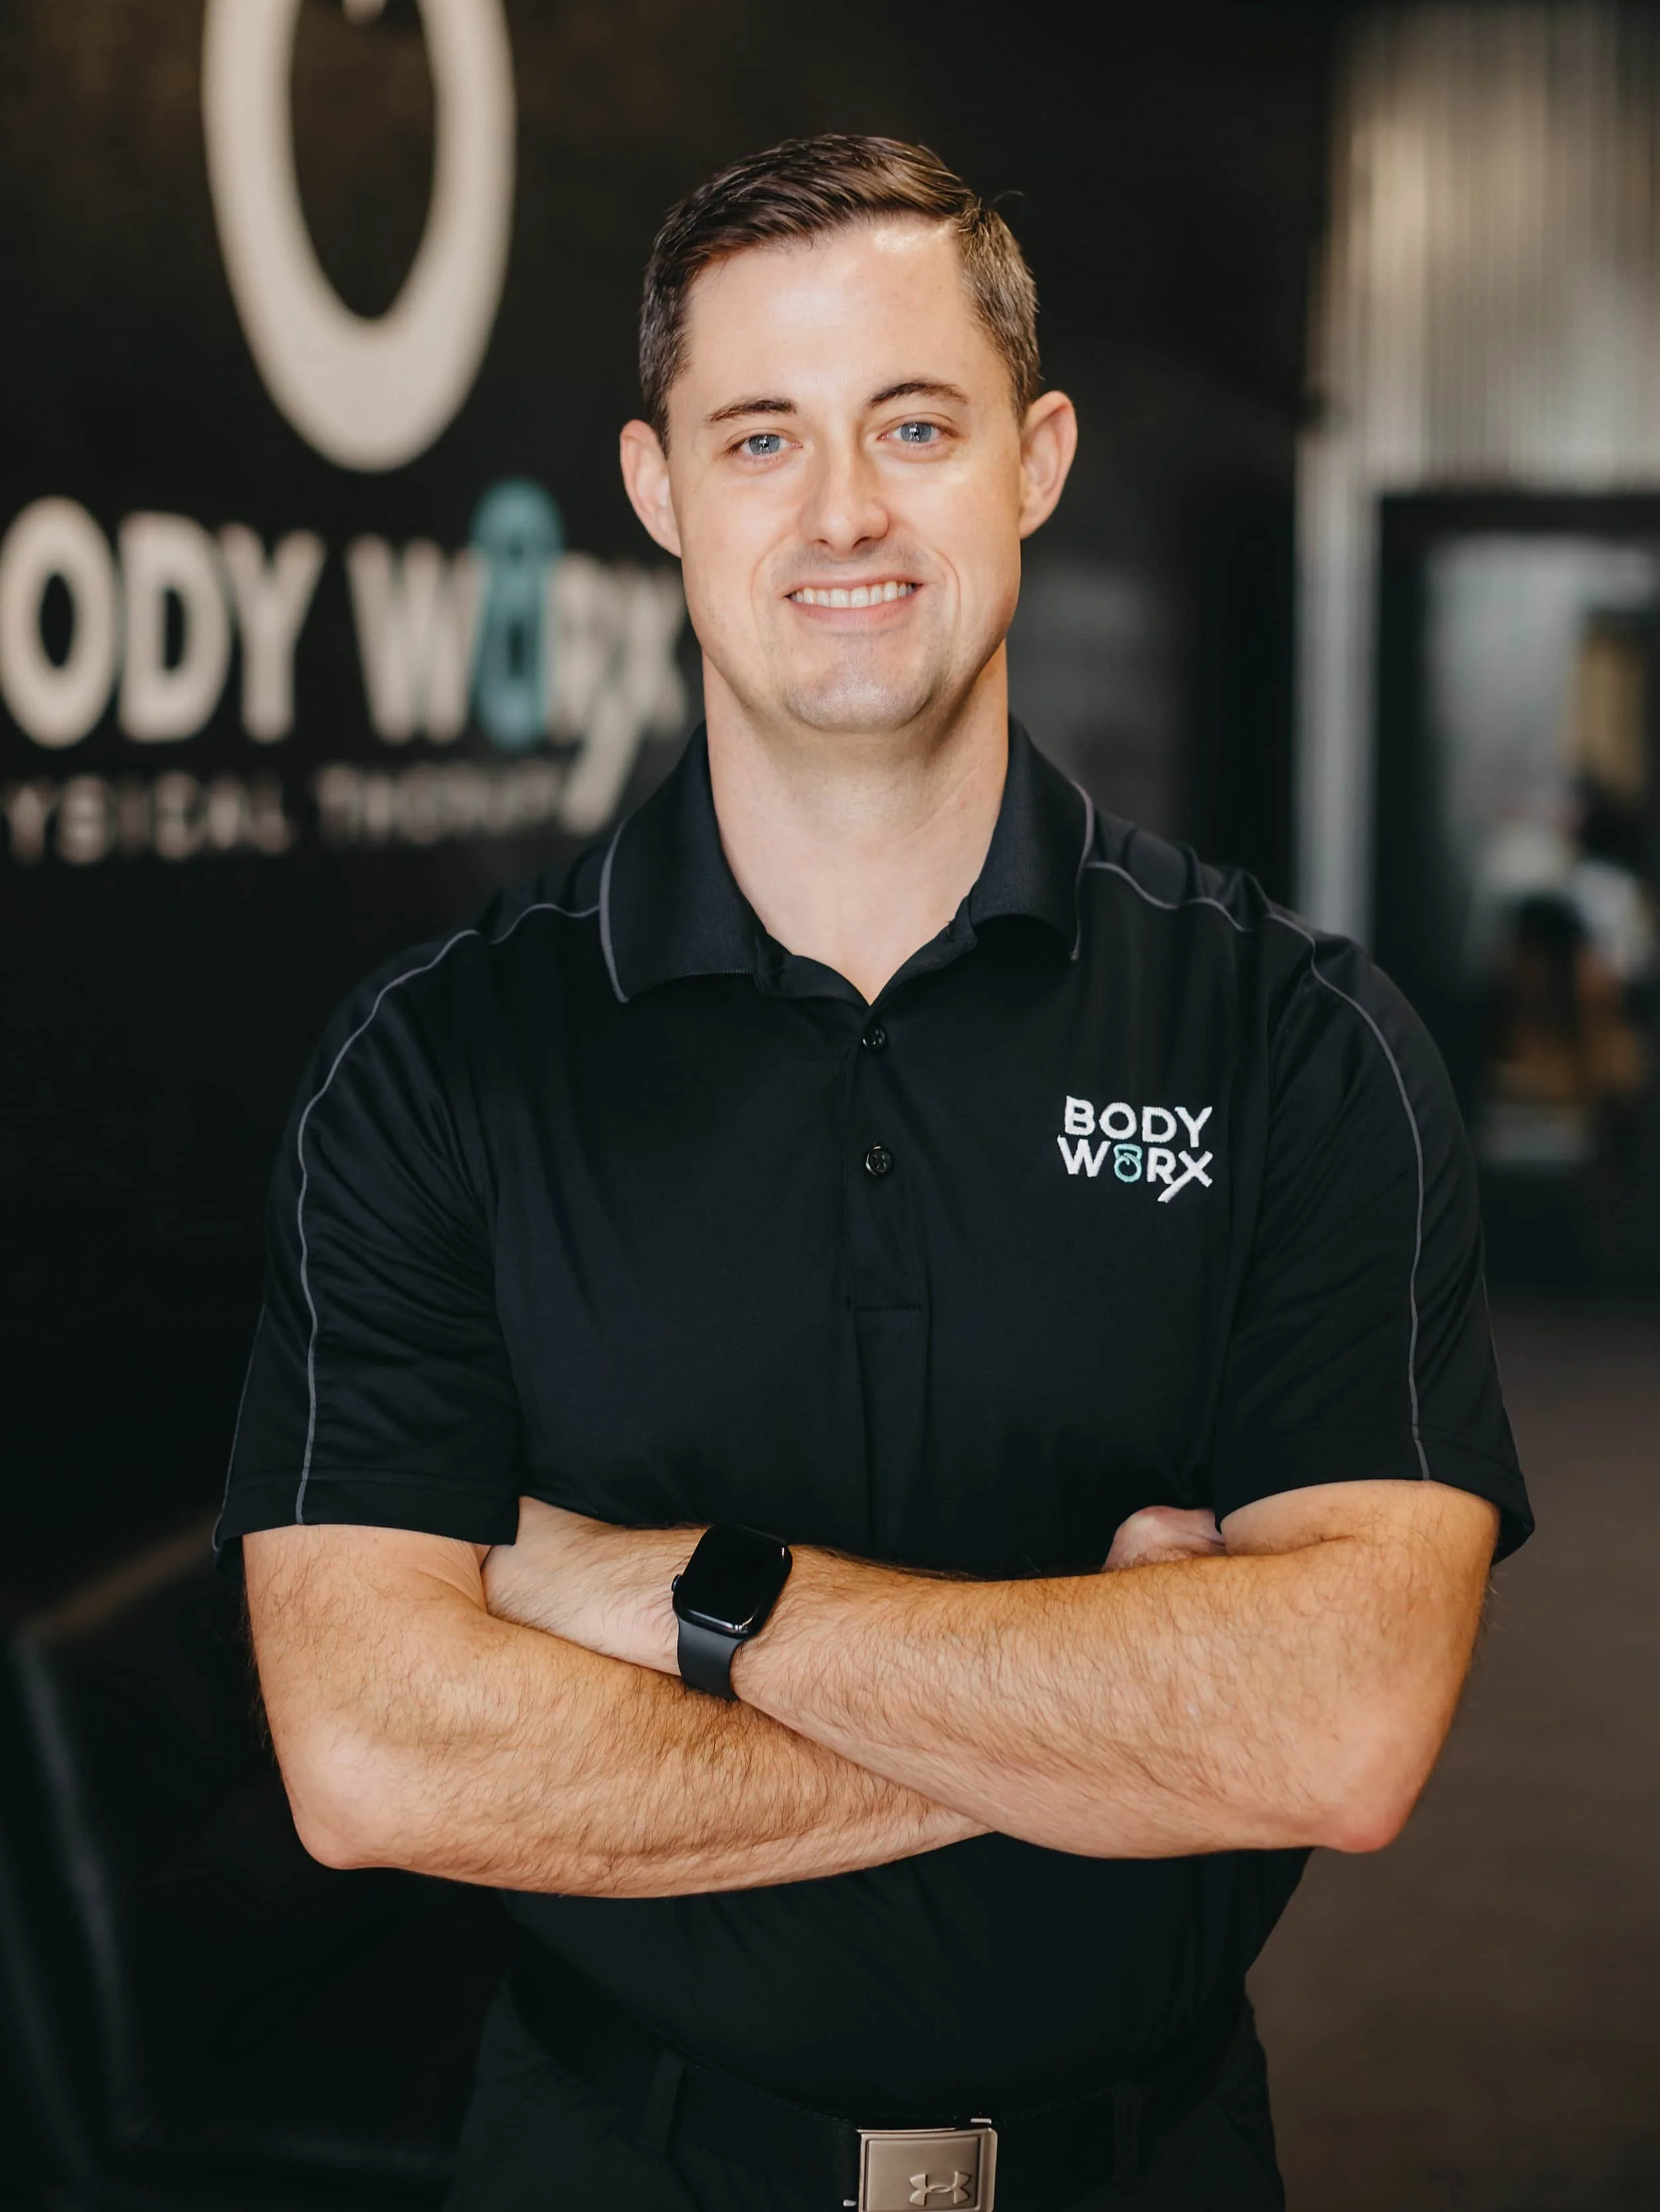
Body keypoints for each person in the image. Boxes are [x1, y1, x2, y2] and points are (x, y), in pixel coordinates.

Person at [220, 134, 1532, 2212]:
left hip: (1150, 2163)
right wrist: (1091, 1720)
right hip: (606, 2162)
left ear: (1036, 457)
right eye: (761, 435)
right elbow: (372, 1754)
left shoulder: (1295, 1042)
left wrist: (655, 1592)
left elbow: (1335, 1730)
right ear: (659, 490)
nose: (842, 510)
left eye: (911, 424)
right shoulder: (436, 1063)